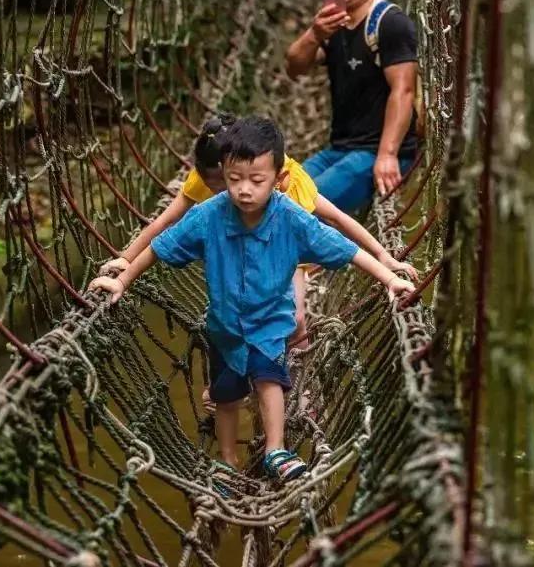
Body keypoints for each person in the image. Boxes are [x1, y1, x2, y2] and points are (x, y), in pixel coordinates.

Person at [89, 116, 415, 482]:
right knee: (225, 397)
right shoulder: (208, 214)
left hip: (270, 321)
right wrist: (123, 279)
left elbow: (344, 245)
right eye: (234, 179)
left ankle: (275, 449)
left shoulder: (291, 215)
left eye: (256, 181)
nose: (244, 190)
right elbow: (161, 245)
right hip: (224, 327)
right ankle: (228, 461)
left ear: (278, 179)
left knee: (268, 380)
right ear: (222, 173)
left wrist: (389, 277)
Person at [98, 112, 418, 340]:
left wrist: (384, 258)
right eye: (228, 182)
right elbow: (165, 222)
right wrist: (126, 259)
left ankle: (297, 380)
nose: (236, 193)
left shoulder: (287, 188)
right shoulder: (209, 181)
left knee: (295, 317)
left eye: (248, 181)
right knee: (234, 312)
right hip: (238, 245)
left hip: (285, 247)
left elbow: (335, 219)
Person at [285, 0, 420, 214]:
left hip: (377, 151)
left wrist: (388, 154)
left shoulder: (390, 23)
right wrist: (314, 34)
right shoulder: (332, 24)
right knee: (281, 188)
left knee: (301, 205)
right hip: (339, 149)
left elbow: (404, 90)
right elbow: (295, 67)